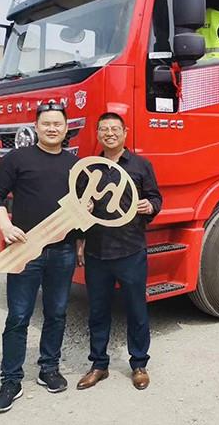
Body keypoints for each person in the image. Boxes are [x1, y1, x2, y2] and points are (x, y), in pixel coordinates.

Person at [0, 103, 82, 413]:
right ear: (36, 127)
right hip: (25, 250)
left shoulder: (75, 165)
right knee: (18, 316)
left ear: (66, 129)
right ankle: (10, 380)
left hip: (63, 251)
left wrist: (80, 243)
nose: (52, 128)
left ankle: (48, 369)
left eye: (58, 124)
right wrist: (6, 226)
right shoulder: (17, 159)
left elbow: (82, 209)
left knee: (57, 312)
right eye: (46, 123)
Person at [76, 112, 162, 391]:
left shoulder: (141, 165)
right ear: (97, 134)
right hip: (96, 251)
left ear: (125, 132)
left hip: (131, 249)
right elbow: (79, 206)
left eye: (115, 129)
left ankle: (139, 364)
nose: (109, 133)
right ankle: (99, 365)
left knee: (136, 309)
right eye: (104, 129)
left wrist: (150, 206)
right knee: (97, 311)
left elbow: (155, 197)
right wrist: (80, 238)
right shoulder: (89, 168)